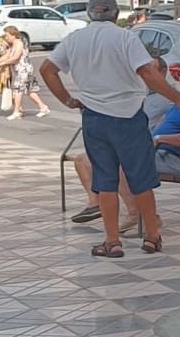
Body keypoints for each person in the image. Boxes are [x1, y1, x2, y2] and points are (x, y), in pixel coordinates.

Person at [40, 0, 180, 258]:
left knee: (105, 182)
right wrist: (178, 98)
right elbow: (147, 72)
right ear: (115, 13)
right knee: (141, 179)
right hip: (129, 117)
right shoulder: (126, 37)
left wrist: (67, 100)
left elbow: (47, 69)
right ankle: (152, 237)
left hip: (94, 118)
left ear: (90, 13)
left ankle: (112, 242)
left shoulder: (74, 40)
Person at [70, 57, 168, 228]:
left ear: (163, 73)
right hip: (127, 142)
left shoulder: (166, 99)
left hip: (149, 145)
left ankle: (136, 214)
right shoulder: (135, 92)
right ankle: (95, 204)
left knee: (121, 165)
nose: (145, 75)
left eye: (151, 71)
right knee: (82, 160)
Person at [0, 26, 49, 119]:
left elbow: (15, 57)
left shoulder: (19, 44)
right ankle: (43, 107)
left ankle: (17, 111)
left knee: (18, 90)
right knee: (29, 90)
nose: (6, 38)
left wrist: (3, 63)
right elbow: (7, 55)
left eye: (7, 35)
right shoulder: (12, 45)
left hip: (24, 70)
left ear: (13, 35)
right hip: (21, 70)